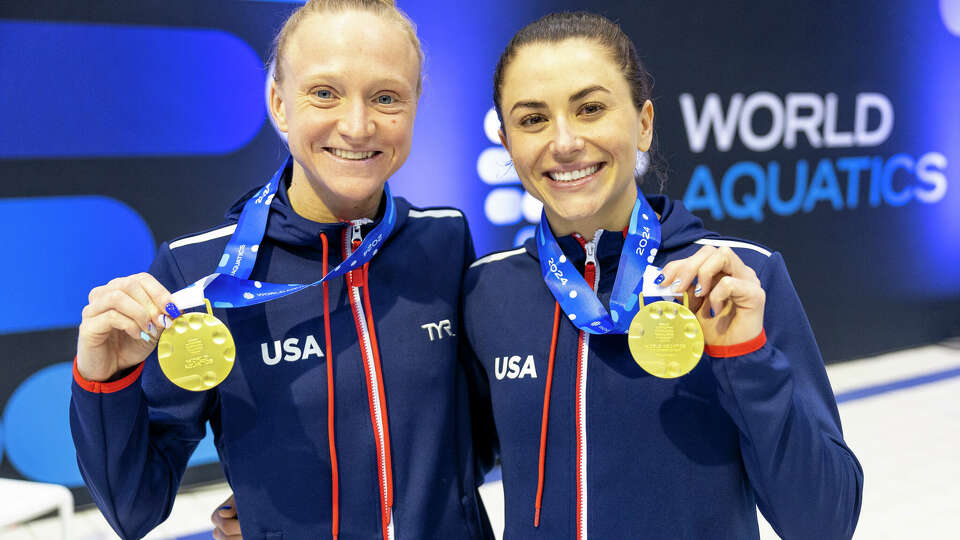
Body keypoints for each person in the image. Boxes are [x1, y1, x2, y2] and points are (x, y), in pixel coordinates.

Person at [70, 1, 493, 539]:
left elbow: (480, 438)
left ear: (414, 108)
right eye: (324, 93)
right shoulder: (202, 271)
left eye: (386, 97)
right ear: (279, 104)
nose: (358, 125)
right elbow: (135, 508)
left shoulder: (444, 240)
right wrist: (105, 379)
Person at [461, 11, 864, 539]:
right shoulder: (485, 291)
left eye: (591, 108)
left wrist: (744, 357)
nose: (563, 142)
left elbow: (824, 522)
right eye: (533, 119)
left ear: (644, 122)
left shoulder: (739, 281)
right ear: (507, 141)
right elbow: (443, 485)